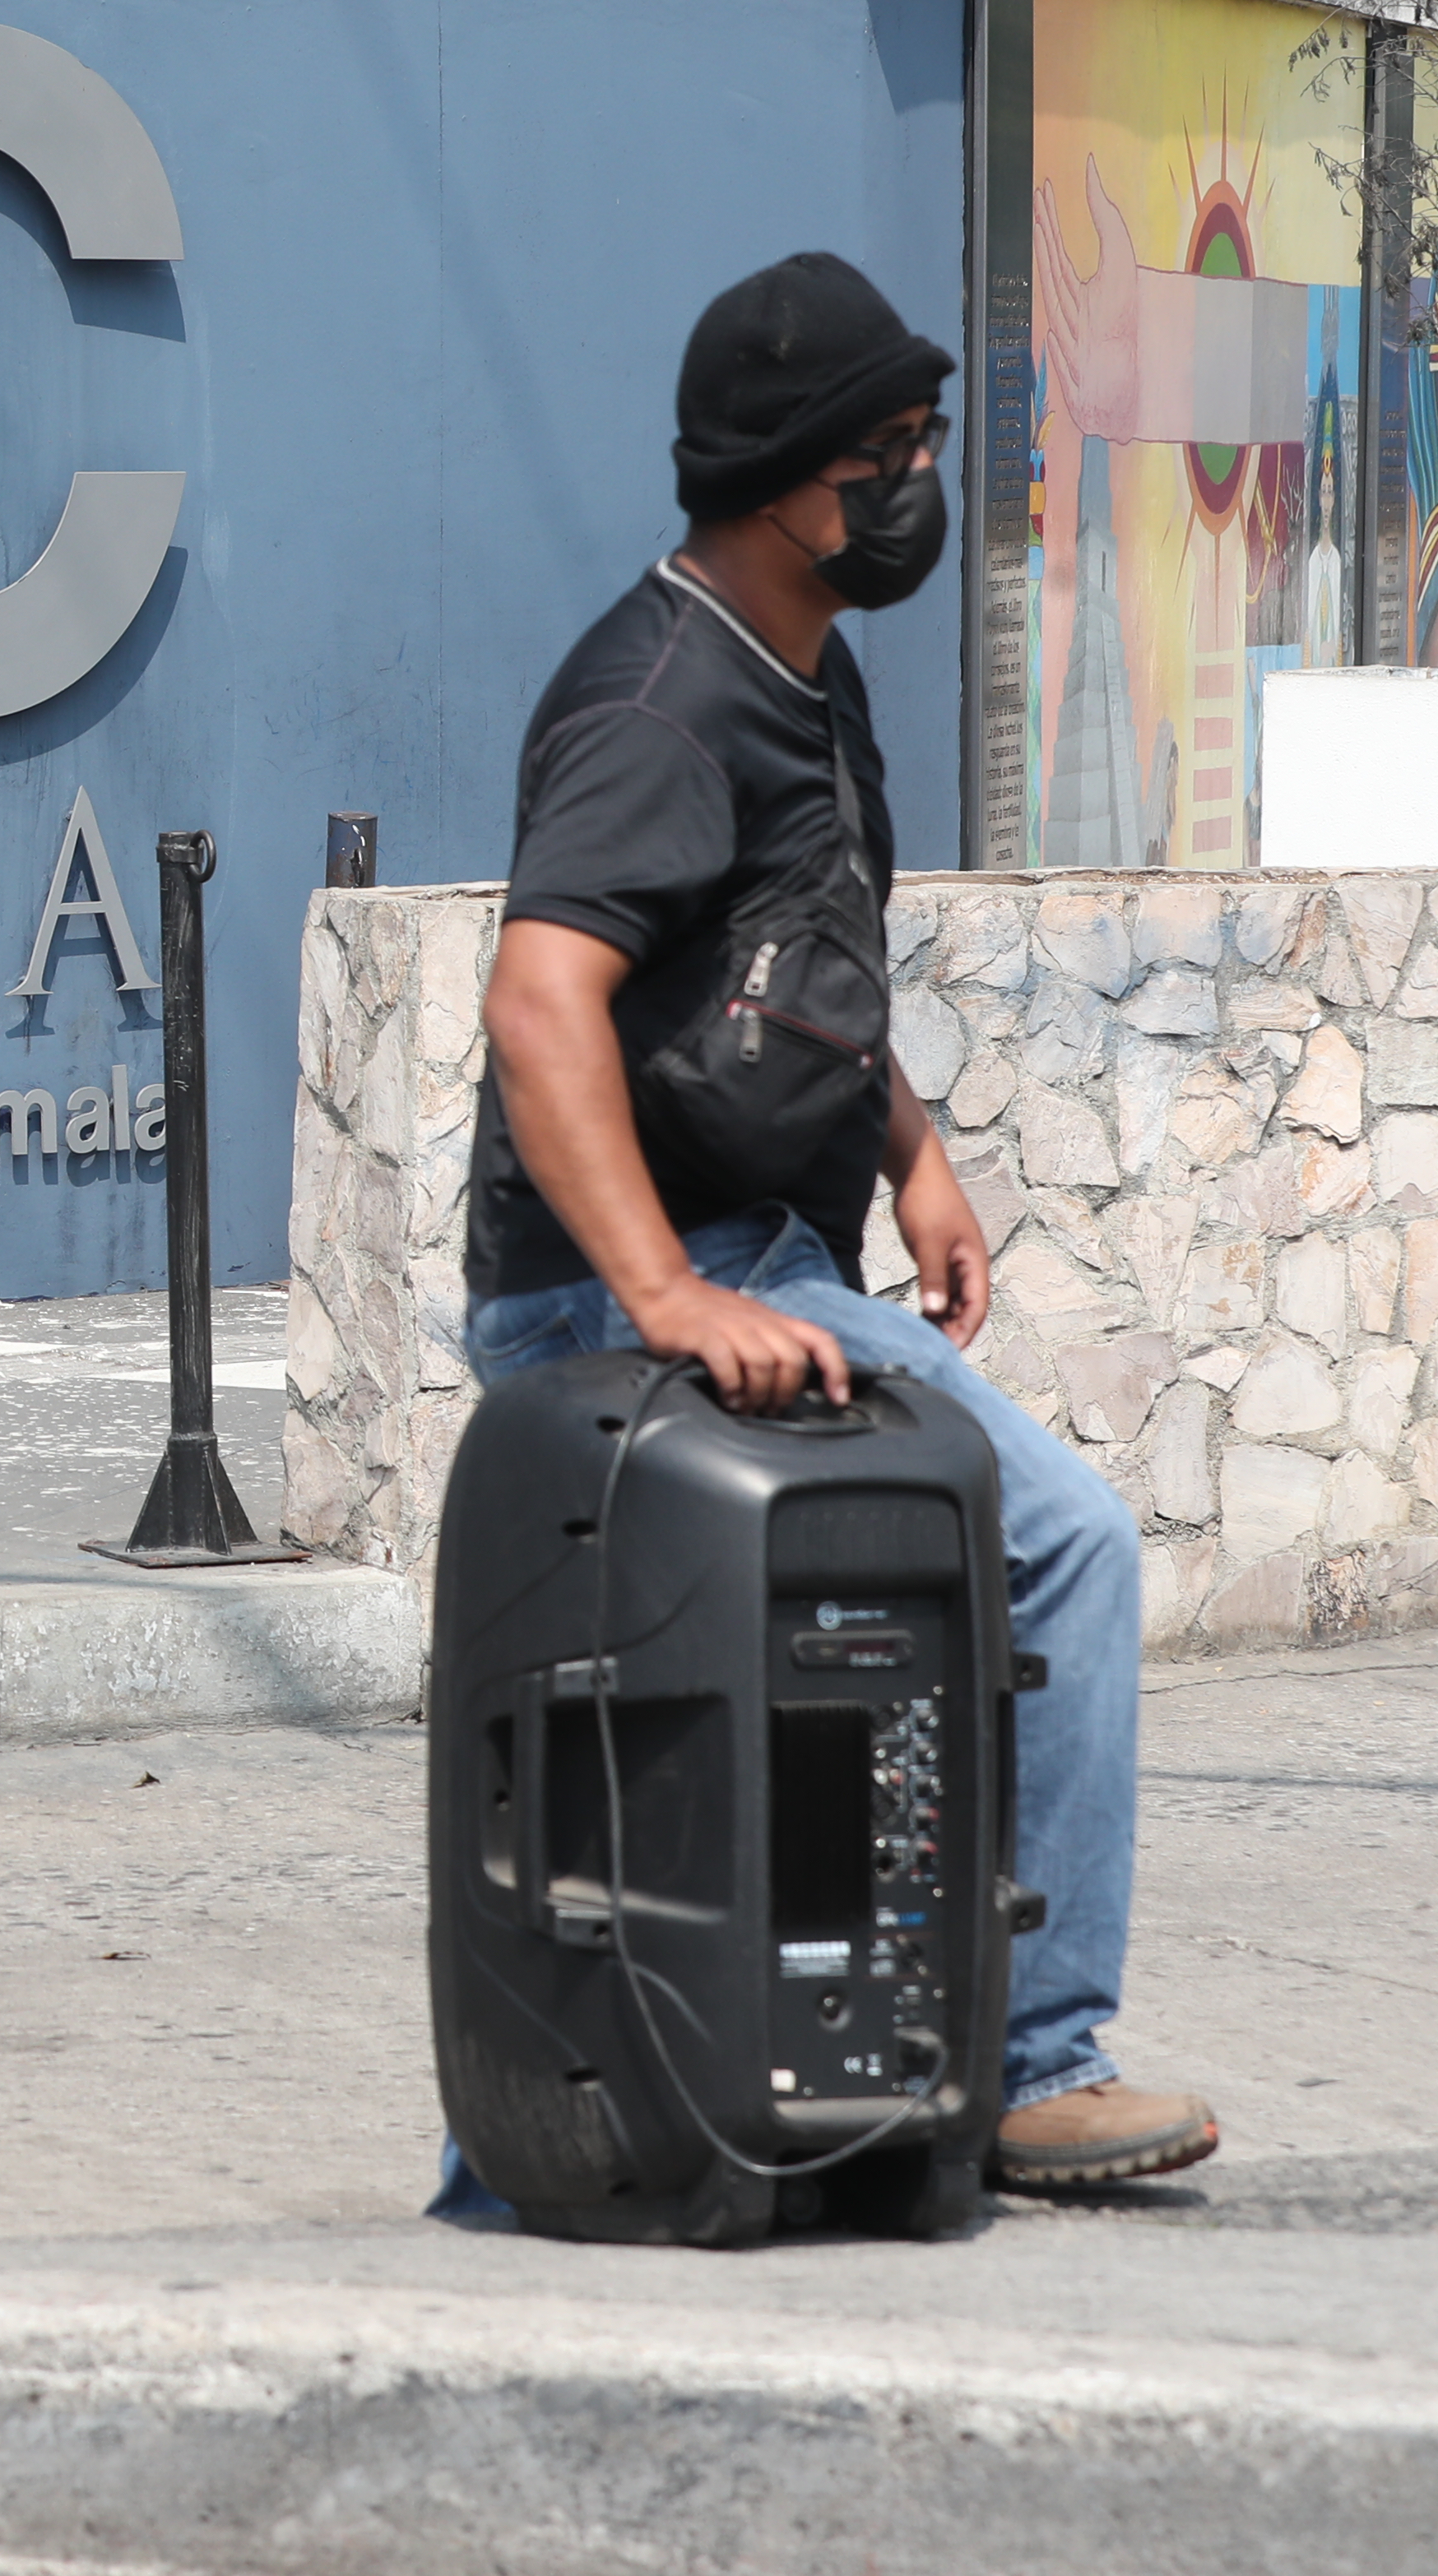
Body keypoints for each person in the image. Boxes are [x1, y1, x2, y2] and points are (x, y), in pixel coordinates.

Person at [453, 252, 1213, 2196]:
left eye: (926, 443)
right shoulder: (659, 706)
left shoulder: (807, 669)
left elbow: (781, 964)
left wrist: (911, 1150)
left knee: (964, 1577)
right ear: (790, 479)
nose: (919, 483)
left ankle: (874, 2052)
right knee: (1060, 1546)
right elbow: (543, 1003)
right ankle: (1040, 2064)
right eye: (890, 452)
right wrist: (665, 1294)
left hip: (771, 1251)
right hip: (628, 1297)